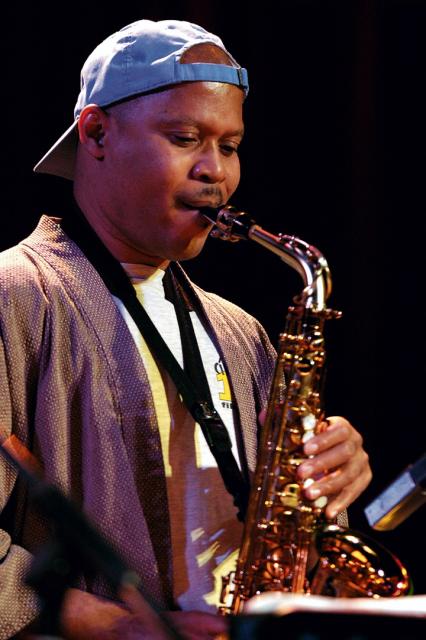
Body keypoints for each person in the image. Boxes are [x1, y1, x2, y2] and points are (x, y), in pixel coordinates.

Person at [0, 19, 372, 640]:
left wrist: (327, 492)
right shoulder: (15, 295)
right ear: (96, 133)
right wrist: (116, 625)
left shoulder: (241, 333)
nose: (214, 172)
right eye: (185, 138)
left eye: (230, 146)